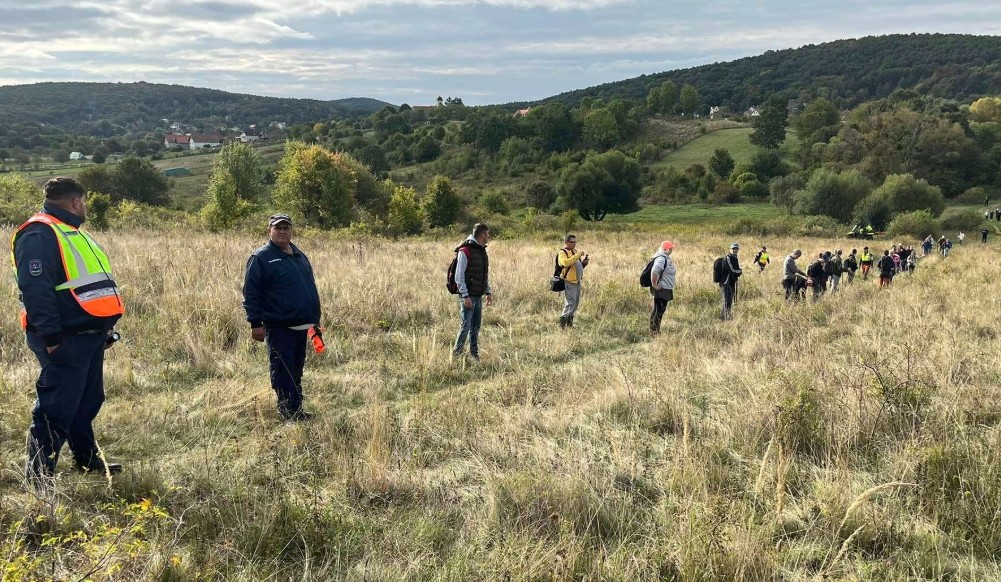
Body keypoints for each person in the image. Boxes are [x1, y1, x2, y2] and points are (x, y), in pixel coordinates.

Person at [11, 177, 126, 486]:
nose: (85, 207)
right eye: (85, 202)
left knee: (86, 401)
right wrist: (50, 337)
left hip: (88, 335)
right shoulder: (39, 233)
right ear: (77, 202)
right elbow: (36, 290)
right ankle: (38, 479)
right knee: (56, 408)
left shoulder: (71, 233)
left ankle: (87, 459)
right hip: (64, 338)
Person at [242, 214, 322, 421]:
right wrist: (255, 323)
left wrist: (314, 319)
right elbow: (252, 292)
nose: (283, 231)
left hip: (302, 325)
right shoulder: (262, 257)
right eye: (278, 228)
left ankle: (296, 407)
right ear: (269, 231)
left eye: (286, 227)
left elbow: (308, 287)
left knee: (296, 368)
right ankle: (289, 412)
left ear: (291, 230)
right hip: (279, 326)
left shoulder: (298, 254)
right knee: (282, 368)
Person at [451, 223, 492, 359]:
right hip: (468, 297)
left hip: (477, 295)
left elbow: (483, 274)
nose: (488, 236)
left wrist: (488, 291)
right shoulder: (465, 250)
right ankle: (457, 355)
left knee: (475, 327)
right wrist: (465, 295)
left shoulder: (481, 250)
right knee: (465, 326)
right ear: (482, 235)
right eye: (487, 233)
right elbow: (459, 276)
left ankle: (474, 354)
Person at [556, 234, 588, 329]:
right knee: (570, 303)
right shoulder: (562, 253)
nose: (574, 244)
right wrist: (578, 255)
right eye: (572, 242)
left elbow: (576, 266)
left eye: (575, 242)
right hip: (569, 282)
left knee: (575, 303)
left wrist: (584, 264)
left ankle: (569, 323)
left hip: (577, 281)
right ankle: (562, 324)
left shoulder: (574, 251)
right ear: (566, 242)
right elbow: (565, 263)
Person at [649, 240, 676, 335]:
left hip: (665, 288)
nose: (672, 250)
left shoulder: (665, 258)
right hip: (661, 288)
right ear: (667, 249)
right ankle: (654, 332)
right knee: (658, 310)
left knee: (659, 310)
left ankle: (655, 330)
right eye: (671, 248)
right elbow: (654, 271)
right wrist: (654, 284)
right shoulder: (661, 259)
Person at [719, 242, 742, 320]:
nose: (735, 250)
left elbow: (736, 270)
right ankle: (726, 317)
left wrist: (738, 272)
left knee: (729, 301)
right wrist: (739, 271)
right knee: (727, 300)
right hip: (725, 282)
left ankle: (724, 317)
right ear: (730, 249)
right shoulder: (728, 258)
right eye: (733, 249)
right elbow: (732, 270)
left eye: (736, 249)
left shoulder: (735, 258)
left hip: (731, 282)